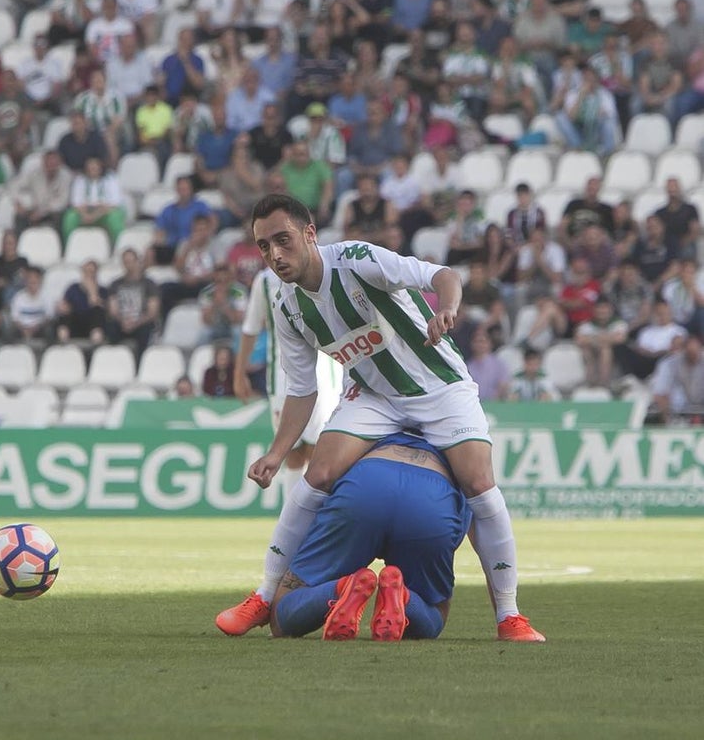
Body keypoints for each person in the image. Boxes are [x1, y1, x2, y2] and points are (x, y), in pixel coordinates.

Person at [217, 194, 544, 643]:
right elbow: (302, 389)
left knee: (479, 485)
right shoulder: (287, 305)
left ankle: (509, 616)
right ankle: (263, 595)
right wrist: (276, 453)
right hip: (375, 395)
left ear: (309, 234)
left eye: (283, 240)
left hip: (439, 386)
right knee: (318, 475)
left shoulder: (357, 260)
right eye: (263, 246)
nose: (274, 254)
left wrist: (447, 308)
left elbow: (443, 276)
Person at [215, 264, 344, 635]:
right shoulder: (265, 280)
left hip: (329, 380)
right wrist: (239, 372)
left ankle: (314, 532)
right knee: (294, 455)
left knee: (323, 456)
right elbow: (251, 328)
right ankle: (296, 529)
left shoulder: (327, 269)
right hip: (284, 381)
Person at [270, 433, 470, 642]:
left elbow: (322, 477)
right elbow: (472, 504)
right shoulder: (461, 434)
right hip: (432, 495)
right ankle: (403, 597)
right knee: (436, 608)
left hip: (367, 480)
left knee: (282, 614)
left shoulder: (362, 421)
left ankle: (341, 588)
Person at [107, 248, 160, 352]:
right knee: (111, 327)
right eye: (126, 262)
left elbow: (153, 312)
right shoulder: (115, 284)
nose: (128, 265)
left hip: (142, 322)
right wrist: (122, 321)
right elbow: (113, 310)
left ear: (137, 261)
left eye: (131, 261)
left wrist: (136, 323)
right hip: (122, 322)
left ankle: (141, 360)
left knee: (146, 329)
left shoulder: (149, 284)